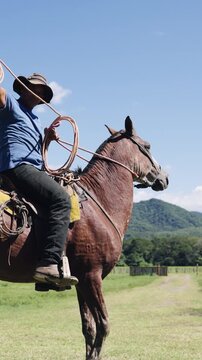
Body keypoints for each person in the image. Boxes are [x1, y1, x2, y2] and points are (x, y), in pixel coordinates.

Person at [0, 73, 78, 287]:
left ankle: (44, 275)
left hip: (31, 167)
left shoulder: (34, 119)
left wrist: (47, 141)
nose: (39, 92)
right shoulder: (11, 107)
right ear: (23, 88)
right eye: (35, 87)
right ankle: (50, 263)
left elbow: (37, 155)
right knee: (61, 200)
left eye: (42, 90)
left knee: (48, 207)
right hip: (16, 166)